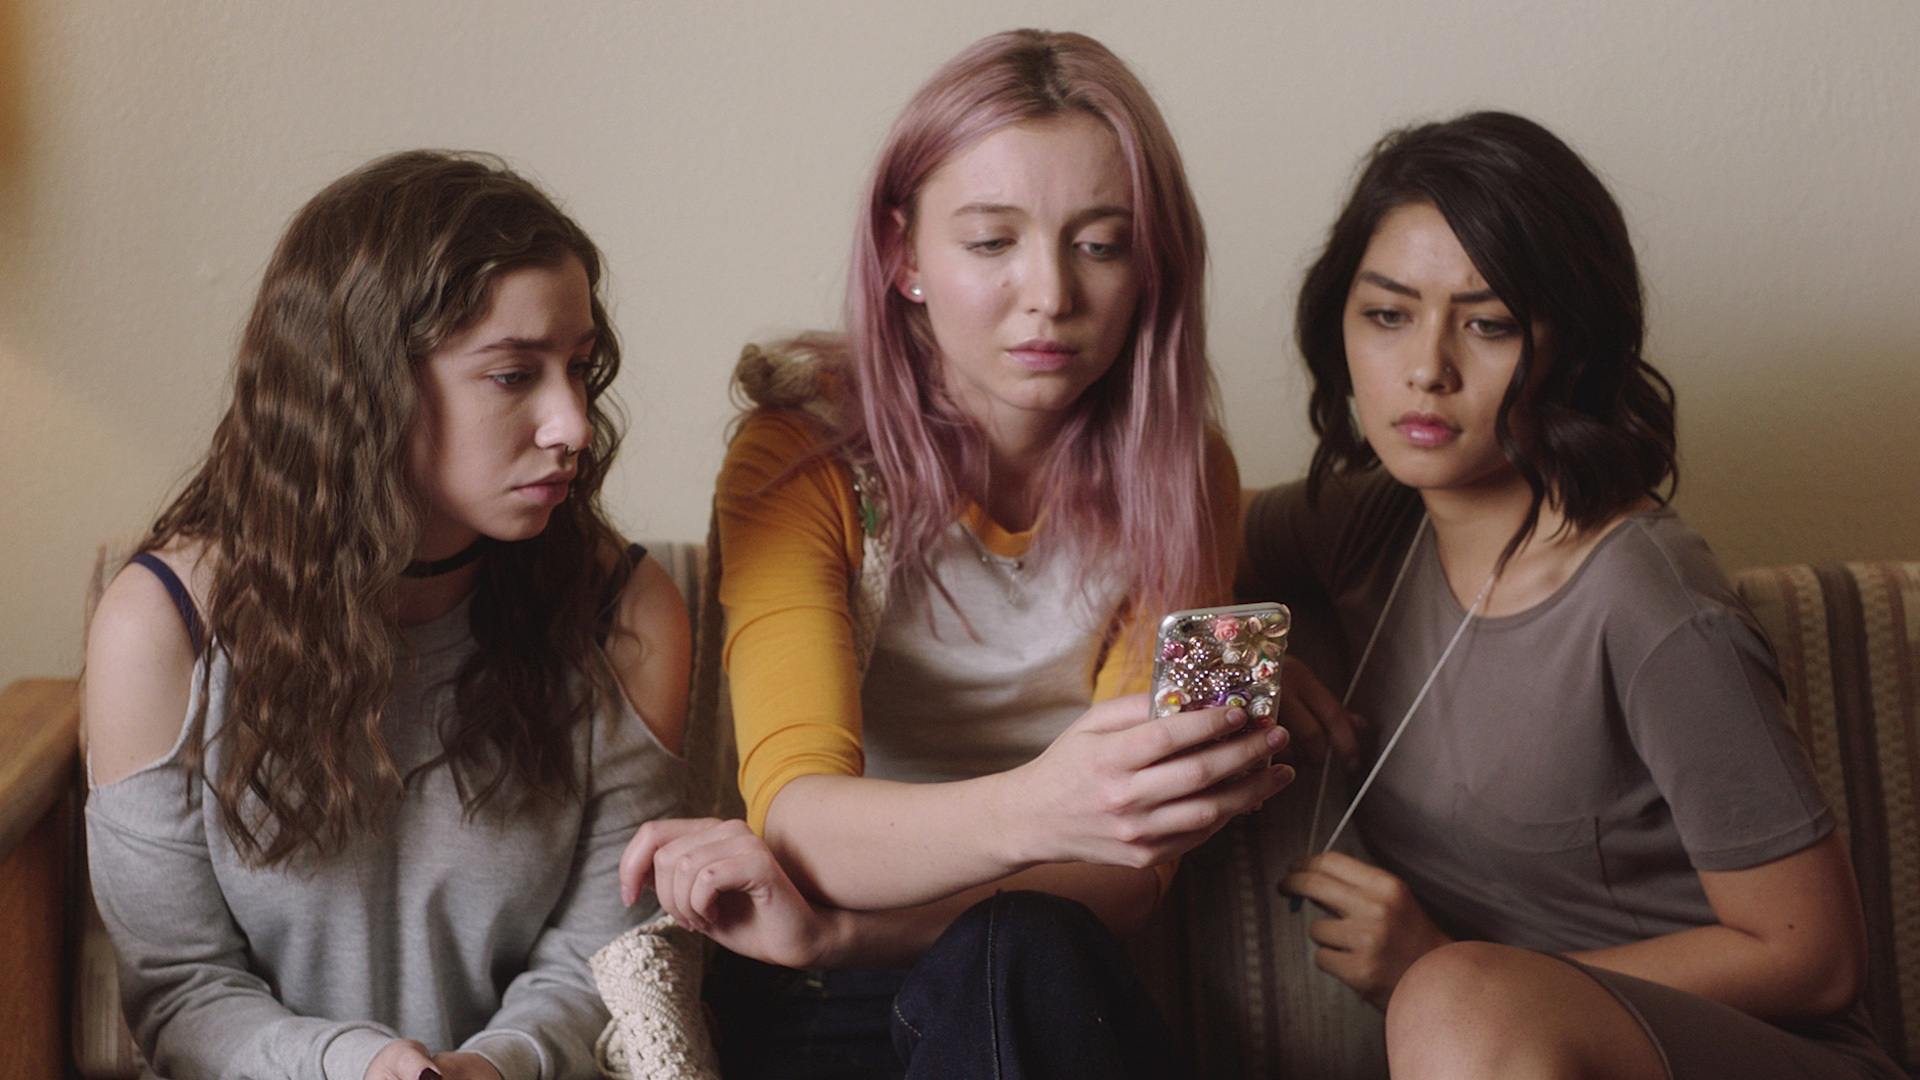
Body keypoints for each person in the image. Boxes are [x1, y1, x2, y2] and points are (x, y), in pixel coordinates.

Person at [619, 28, 1291, 1078]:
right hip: (811, 991)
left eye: (1100, 244)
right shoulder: (799, 459)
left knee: (1019, 948)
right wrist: (1049, 807)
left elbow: (1128, 875)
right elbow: (798, 821)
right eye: (991, 242)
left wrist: (849, 930)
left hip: (1043, 975)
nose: (1050, 293)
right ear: (904, 256)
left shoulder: (1184, 473)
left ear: (1151, 265)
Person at [1246, 111, 1903, 1079]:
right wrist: (1254, 665)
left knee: (1451, 999)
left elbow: (1815, 957)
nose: (1427, 369)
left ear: (1571, 347)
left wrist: (1449, 966)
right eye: (1388, 315)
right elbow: (1152, 538)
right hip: (1495, 1044)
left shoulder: (1647, 601)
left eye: (1489, 324)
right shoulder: (1366, 525)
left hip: (1747, 1056)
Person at [82, 151, 691, 1080]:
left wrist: (494, 1067)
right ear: (364, 385)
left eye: (577, 368)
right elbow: (180, 987)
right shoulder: (164, 626)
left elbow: (611, 959)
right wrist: (358, 1068)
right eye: (513, 374)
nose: (572, 423)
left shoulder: (622, 614)